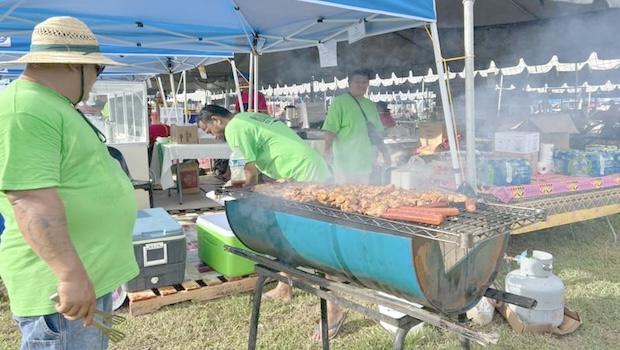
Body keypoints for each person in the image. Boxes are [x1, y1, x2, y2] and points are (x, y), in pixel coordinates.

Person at [0, 16, 139, 350]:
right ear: (69, 63)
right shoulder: (25, 108)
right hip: (62, 288)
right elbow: (29, 200)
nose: (95, 79)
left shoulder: (51, 104)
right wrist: (69, 274)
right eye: (96, 70)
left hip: (84, 275)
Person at [196, 105, 347, 341]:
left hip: (306, 176)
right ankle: (284, 286)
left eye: (211, 130)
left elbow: (248, 173)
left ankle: (333, 310)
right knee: (284, 233)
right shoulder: (245, 117)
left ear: (216, 119)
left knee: (317, 245)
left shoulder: (235, 127)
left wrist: (227, 191)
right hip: (301, 172)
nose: (215, 136)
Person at [322, 69, 391, 184]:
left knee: (362, 196)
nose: (361, 85)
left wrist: (385, 153)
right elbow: (331, 130)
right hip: (344, 162)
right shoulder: (339, 102)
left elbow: (376, 133)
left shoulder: (370, 105)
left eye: (364, 82)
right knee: (345, 198)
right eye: (357, 82)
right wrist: (327, 151)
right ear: (349, 84)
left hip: (364, 161)